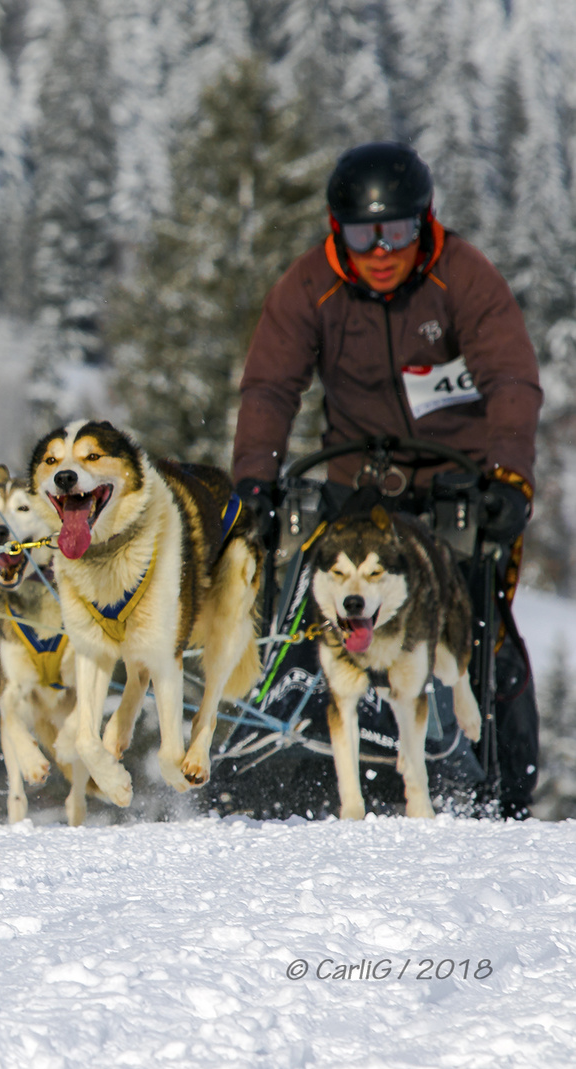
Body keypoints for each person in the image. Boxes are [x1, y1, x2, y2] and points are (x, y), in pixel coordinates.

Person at [230, 141, 543, 819]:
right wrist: (255, 480)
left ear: (423, 223)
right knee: (305, 588)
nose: (380, 251)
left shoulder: (462, 277)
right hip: (355, 479)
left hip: (456, 485)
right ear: (335, 230)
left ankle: (499, 780)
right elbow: (268, 388)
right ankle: (276, 731)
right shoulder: (310, 284)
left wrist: (509, 478)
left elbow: (511, 378)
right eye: (363, 234)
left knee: (479, 620)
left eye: (396, 231)